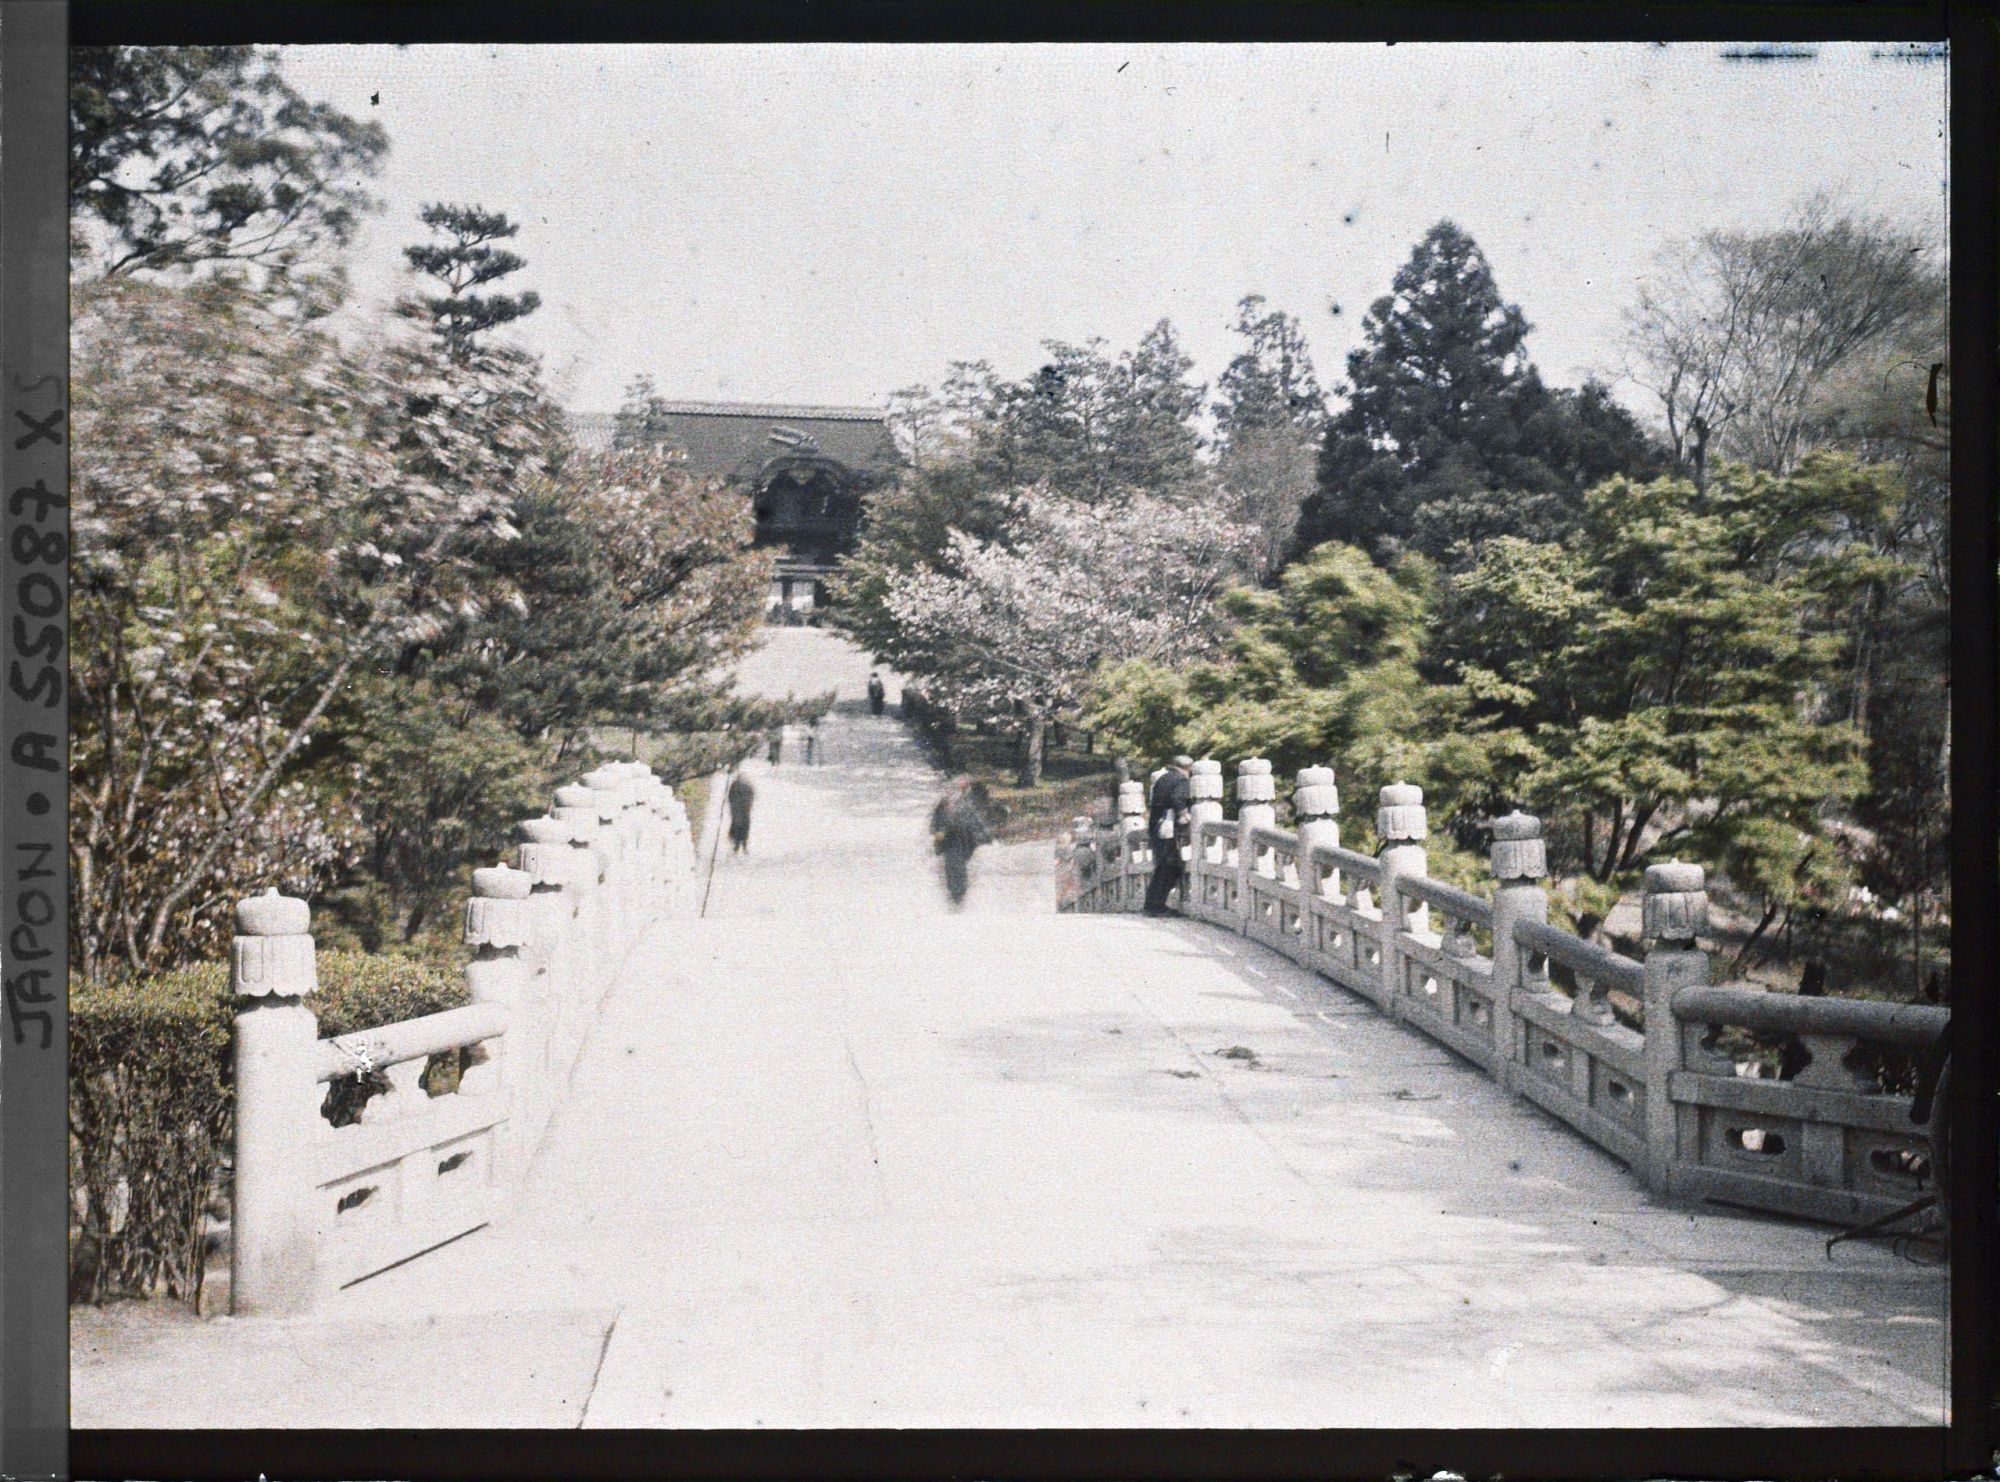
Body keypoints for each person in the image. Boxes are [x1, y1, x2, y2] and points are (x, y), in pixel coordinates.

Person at [1143, 754, 1195, 916]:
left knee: (1162, 866)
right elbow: (1177, 798)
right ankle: (1156, 906)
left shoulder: (1163, 778)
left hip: (1156, 824)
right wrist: (1184, 814)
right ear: (1189, 768)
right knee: (1170, 866)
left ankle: (1151, 904)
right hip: (1167, 826)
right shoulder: (1181, 780)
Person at [931, 775, 994, 907]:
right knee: (951, 864)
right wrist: (936, 831)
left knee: (959, 864)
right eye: (950, 789)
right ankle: (955, 893)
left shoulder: (966, 804)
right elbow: (936, 820)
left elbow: (975, 820)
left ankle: (959, 892)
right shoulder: (943, 805)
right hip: (948, 839)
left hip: (963, 838)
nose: (951, 792)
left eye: (955, 789)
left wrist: (984, 835)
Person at [725, 773, 756, 853]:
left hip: (740, 809)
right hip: (742, 809)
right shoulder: (746, 786)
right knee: (742, 825)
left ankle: (739, 843)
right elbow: (751, 796)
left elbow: (730, 797)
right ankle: (741, 843)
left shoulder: (735, 786)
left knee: (738, 824)